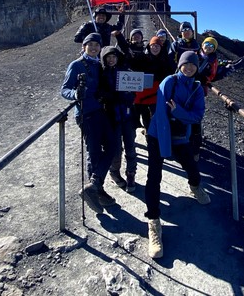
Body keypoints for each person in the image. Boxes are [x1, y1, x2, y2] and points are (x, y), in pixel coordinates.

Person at [145, 51, 211, 259]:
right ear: (180, 65)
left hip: (181, 135)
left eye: (193, 65)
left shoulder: (197, 88)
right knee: (154, 176)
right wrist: (165, 149)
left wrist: (179, 112)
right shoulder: (169, 82)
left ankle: (195, 187)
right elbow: (162, 116)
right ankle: (153, 223)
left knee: (192, 167)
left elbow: (198, 116)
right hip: (158, 135)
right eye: (186, 64)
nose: (189, 68)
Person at [61, 33, 117, 213]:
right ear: (84, 46)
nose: (94, 47)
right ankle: (97, 192)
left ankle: (93, 186)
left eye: (96, 45)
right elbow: (65, 89)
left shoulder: (99, 65)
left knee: (112, 146)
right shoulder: (76, 65)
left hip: (100, 111)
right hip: (86, 113)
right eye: (90, 44)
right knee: (93, 151)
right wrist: (76, 94)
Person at [99, 45, 139, 193]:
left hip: (127, 115)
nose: (111, 60)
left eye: (113, 57)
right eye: (108, 57)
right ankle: (114, 172)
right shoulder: (101, 74)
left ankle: (131, 174)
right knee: (115, 148)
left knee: (130, 146)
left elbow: (134, 91)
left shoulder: (125, 72)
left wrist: (128, 95)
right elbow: (100, 92)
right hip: (111, 117)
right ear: (104, 59)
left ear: (117, 58)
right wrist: (112, 96)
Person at [117, 33, 176, 130]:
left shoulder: (166, 61)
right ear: (149, 46)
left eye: (157, 46)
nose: (155, 48)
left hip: (156, 95)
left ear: (161, 47)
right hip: (142, 95)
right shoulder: (142, 58)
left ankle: (151, 136)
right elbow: (128, 53)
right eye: (153, 45)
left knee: (154, 117)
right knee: (139, 118)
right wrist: (119, 37)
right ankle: (142, 132)